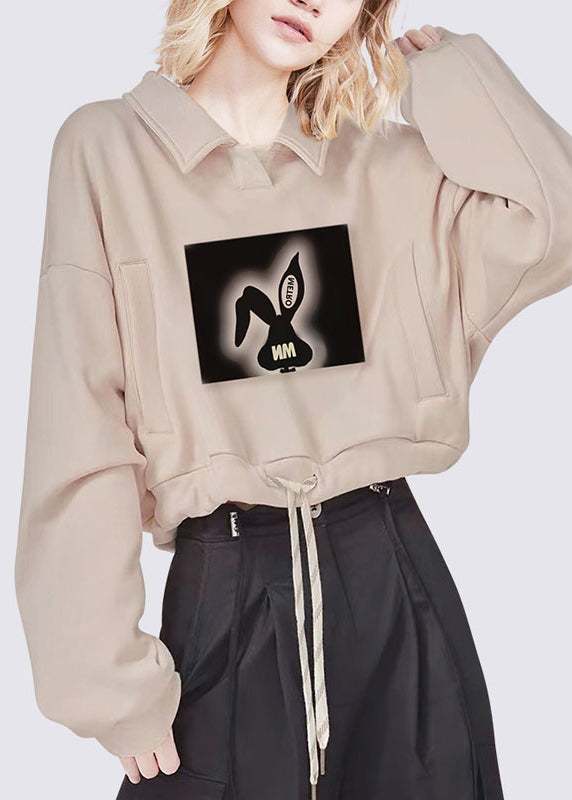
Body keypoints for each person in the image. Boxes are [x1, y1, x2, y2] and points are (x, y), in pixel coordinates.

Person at [14, 0, 572, 798]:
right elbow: (78, 419)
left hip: (392, 584)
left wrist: (456, 75)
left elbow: (554, 226)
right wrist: (104, 682)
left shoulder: (383, 165)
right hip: (223, 588)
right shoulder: (108, 151)